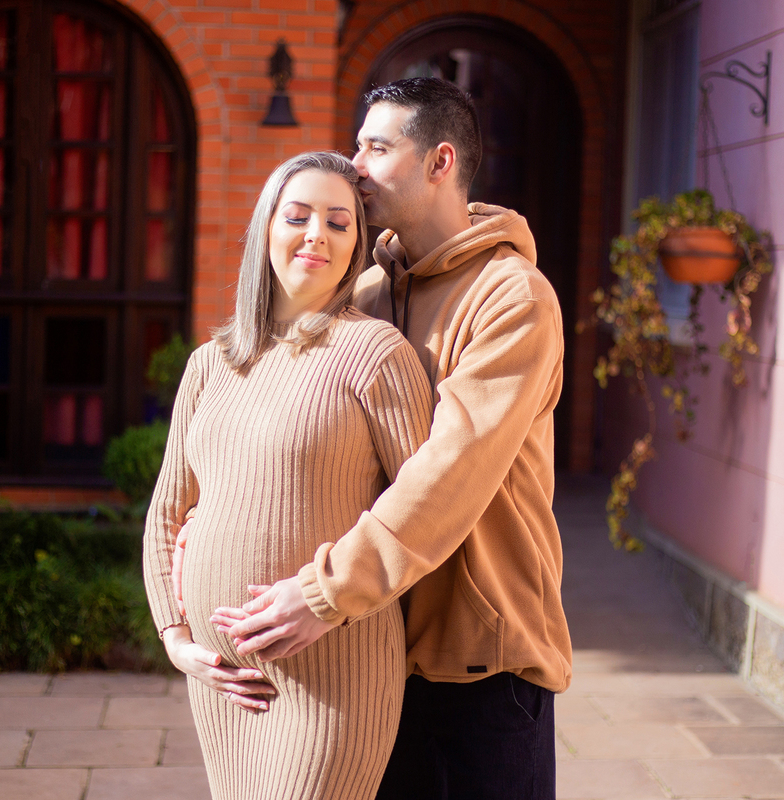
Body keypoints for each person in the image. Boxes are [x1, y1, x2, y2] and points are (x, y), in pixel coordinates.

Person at [208, 77, 571, 800]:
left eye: (376, 147)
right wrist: (213, 517)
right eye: (357, 145)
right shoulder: (368, 291)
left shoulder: (513, 298)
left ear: (440, 162)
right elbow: (297, 427)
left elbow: (451, 472)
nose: (356, 165)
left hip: (480, 664)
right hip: (373, 650)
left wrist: (323, 593)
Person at [142, 151, 434, 800]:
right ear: (265, 229)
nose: (316, 235)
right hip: (222, 685)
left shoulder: (376, 353)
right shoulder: (211, 363)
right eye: (298, 216)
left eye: (339, 222)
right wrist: (176, 640)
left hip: (334, 674)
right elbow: (167, 512)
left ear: (355, 245)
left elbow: (422, 512)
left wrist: (335, 598)